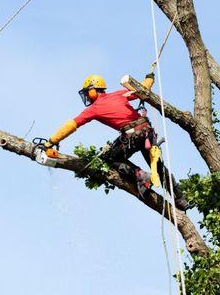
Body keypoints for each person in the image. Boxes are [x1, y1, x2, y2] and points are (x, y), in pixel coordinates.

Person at [43, 74, 191, 211]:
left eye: (87, 92)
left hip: (133, 135)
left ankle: (141, 176)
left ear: (93, 90)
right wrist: (149, 78)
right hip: (147, 132)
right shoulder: (119, 94)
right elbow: (143, 88)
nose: (87, 96)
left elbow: (72, 124)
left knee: (110, 158)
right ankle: (180, 198)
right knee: (158, 167)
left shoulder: (94, 109)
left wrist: (51, 141)